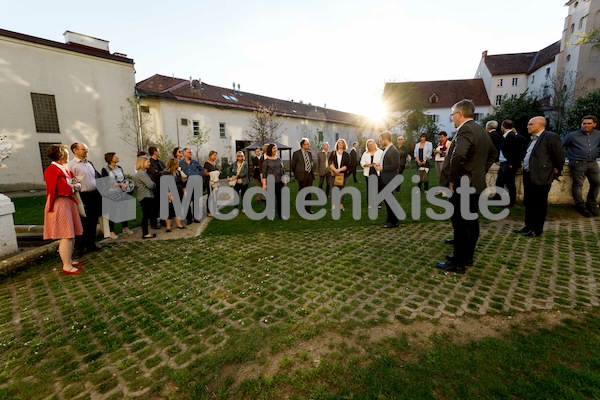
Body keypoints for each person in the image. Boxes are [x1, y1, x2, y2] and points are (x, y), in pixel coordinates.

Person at [436, 99, 496, 274]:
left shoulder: (466, 129)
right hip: (474, 183)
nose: (452, 117)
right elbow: (492, 152)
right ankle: (465, 256)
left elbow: (459, 155)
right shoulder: (481, 130)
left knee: (461, 224)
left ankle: (458, 263)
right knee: (470, 222)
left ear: (460, 114)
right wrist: (479, 170)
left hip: (463, 184)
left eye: (453, 114)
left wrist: (452, 180)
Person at [513, 116, 564, 237]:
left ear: (540, 125)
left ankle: (537, 229)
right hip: (529, 174)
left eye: (530, 124)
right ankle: (528, 225)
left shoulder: (550, 136)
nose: (527, 126)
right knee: (529, 202)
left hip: (542, 175)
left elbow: (559, 156)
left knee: (539, 204)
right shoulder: (533, 139)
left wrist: (556, 170)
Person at [43, 144, 84, 275]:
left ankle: (69, 260)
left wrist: (74, 185)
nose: (68, 155)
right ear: (60, 155)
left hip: (67, 202)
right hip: (59, 203)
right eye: (66, 153)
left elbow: (75, 181)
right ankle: (66, 265)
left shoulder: (63, 168)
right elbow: (64, 189)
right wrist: (74, 186)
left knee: (70, 233)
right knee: (66, 235)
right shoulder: (52, 170)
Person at [68, 142, 102, 258]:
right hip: (83, 196)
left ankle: (91, 244)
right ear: (75, 150)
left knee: (93, 221)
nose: (86, 152)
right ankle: (79, 248)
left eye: (87, 150)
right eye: (84, 149)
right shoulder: (71, 165)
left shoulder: (89, 163)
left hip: (94, 195)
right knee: (83, 223)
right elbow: (70, 181)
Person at [561, 115, 600, 217]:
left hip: (593, 163)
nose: (586, 125)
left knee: (596, 183)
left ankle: (591, 204)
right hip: (577, 163)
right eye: (584, 123)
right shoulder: (572, 135)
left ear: (594, 124)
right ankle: (580, 206)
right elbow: (560, 145)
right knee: (578, 184)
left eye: (589, 123)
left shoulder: (598, 134)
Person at [101, 152, 134, 239]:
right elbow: (106, 183)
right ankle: (112, 231)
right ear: (110, 158)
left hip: (122, 192)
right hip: (112, 193)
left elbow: (123, 178)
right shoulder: (105, 170)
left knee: (124, 210)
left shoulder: (119, 168)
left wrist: (126, 184)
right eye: (115, 156)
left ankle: (125, 227)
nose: (117, 157)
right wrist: (119, 184)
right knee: (113, 212)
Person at [494, 120, 525, 207]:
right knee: (500, 181)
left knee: (509, 183)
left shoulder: (510, 136)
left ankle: (511, 202)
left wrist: (511, 163)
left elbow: (513, 151)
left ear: (503, 126)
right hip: (505, 163)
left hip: (508, 163)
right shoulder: (509, 135)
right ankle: (498, 198)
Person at [375, 131, 400, 227]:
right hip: (385, 178)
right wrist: (380, 165)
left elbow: (396, 165)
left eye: (381, 140)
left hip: (390, 179)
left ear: (386, 139)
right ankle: (390, 219)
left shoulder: (393, 150)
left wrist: (382, 168)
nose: (380, 142)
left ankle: (393, 221)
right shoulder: (386, 149)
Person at [133, 156, 156, 239]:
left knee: (146, 215)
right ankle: (145, 233)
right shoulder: (141, 173)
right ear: (142, 163)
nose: (149, 163)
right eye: (147, 162)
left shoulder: (142, 172)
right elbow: (150, 185)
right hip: (145, 196)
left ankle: (146, 232)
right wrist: (154, 184)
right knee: (146, 215)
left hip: (145, 196)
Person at [262, 143, 286, 219]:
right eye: (274, 148)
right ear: (270, 150)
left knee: (280, 199)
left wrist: (284, 181)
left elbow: (283, 171)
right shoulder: (266, 161)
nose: (275, 149)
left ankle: (280, 215)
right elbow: (264, 174)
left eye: (276, 148)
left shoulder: (279, 160)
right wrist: (264, 184)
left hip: (279, 182)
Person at [291, 138, 315, 214]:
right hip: (301, 175)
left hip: (309, 175)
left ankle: (308, 209)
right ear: (303, 145)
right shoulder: (296, 153)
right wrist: (296, 174)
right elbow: (293, 165)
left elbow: (311, 163)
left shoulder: (309, 153)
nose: (309, 145)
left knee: (308, 192)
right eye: (307, 144)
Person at [179, 148, 203, 223]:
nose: (190, 153)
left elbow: (201, 169)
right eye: (189, 152)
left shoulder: (195, 162)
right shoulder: (180, 163)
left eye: (191, 152)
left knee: (196, 200)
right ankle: (189, 218)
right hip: (186, 184)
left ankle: (196, 217)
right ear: (184, 153)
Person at [161, 158, 185, 231]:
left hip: (178, 192)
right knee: (169, 210)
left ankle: (179, 224)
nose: (178, 165)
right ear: (173, 164)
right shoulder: (166, 173)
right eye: (177, 164)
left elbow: (181, 182)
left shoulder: (178, 172)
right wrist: (168, 194)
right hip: (170, 194)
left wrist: (183, 189)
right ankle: (168, 227)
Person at [360, 138, 383, 209]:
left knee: (379, 187)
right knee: (370, 188)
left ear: (374, 144)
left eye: (372, 144)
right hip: (369, 172)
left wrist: (378, 164)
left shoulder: (380, 152)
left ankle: (378, 203)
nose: (371, 145)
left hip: (378, 172)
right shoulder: (365, 153)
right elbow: (362, 162)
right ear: (367, 146)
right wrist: (369, 165)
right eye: (369, 145)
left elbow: (383, 161)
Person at [329, 139, 350, 211]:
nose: (340, 144)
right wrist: (335, 170)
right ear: (337, 144)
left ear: (344, 145)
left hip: (342, 175)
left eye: (342, 143)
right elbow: (329, 163)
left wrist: (339, 170)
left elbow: (348, 165)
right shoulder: (333, 153)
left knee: (342, 190)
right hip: (334, 174)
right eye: (339, 143)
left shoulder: (346, 155)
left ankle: (341, 205)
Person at [147, 146, 165, 229]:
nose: (159, 152)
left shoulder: (160, 162)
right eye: (158, 151)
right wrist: (162, 172)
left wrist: (161, 172)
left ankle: (163, 220)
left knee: (163, 204)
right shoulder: (149, 162)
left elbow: (164, 170)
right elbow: (154, 173)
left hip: (162, 184)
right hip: (155, 186)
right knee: (155, 205)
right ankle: (153, 223)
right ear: (154, 152)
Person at [204, 150, 220, 217]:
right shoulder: (207, 163)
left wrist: (217, 173)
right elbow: (205, 173)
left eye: (216, 155)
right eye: (214, 155)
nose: (215, 157)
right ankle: (209, 211)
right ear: (210, 155)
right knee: (210, 195)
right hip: (209, 181)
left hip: (215, 182)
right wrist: (212, 174)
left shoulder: (215, 163)